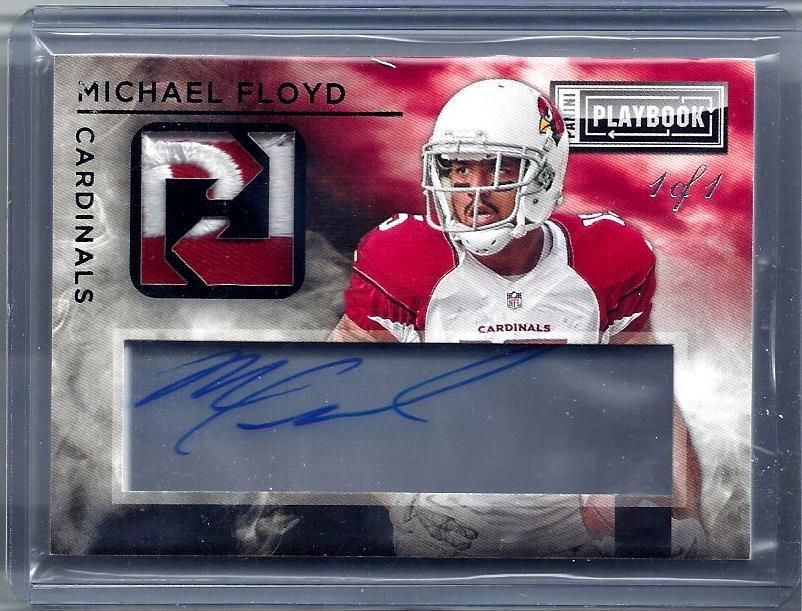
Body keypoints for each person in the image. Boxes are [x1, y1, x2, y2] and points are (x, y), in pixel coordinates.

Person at [331, 79, 704, 557]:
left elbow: (646, 400)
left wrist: (683, 515)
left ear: (545, 176)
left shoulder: (607, 256)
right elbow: (343, 391)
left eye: (497, 170)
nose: (473, 192)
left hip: (580, 528)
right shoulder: (403, 257)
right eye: (458, 169)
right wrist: (400, 500)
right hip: (445, 529)